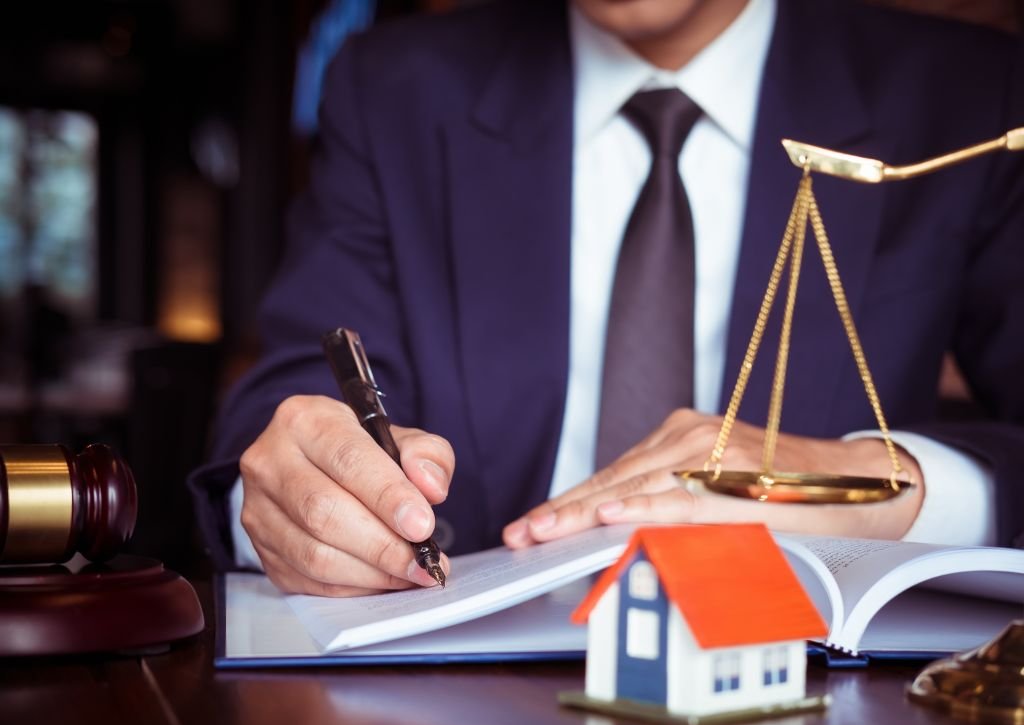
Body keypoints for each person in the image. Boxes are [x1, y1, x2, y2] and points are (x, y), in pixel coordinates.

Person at [190, 0, 1024, 597]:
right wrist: (293, 501)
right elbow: (299, 391)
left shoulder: (971, 97)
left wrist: (892, 485)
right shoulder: (396, 88)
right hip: (454, 707)